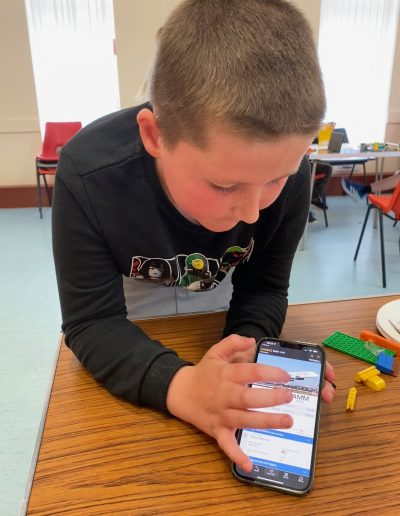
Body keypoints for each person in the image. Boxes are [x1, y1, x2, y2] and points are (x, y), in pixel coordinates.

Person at [52, 0, 336, 473]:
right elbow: (92, 322)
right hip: (132, 298)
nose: (253, 209)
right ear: (153, 135)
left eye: (277, 178)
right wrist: (182, 387)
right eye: (224, 185)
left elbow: (264, 286)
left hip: (220, 296)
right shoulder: (89, 174)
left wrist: (248, 352)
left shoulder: (292, 169)